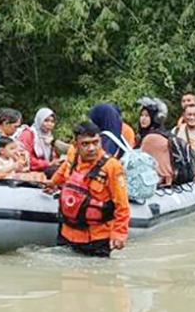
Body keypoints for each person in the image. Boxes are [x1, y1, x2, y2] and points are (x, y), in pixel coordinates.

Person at [45, 122, 131, 257]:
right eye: (85, 144)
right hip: (67, 233)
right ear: (76, 144)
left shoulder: (112, 167)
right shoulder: (73, 155)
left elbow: (122, 204)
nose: (91, 148)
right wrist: (53, 182)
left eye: (95, 142)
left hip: (97, 238)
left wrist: (119, 233)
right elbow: (64, 171)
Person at [136, 98, 174, 186]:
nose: (143, 119)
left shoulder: (150, 138)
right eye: (142, 115)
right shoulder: (163, 133)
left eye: (147, 116)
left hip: (158, 179)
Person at [17, 107, 64, 175]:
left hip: (45, 170)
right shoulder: (28, 134)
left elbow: (53, 156)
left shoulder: (49, 137)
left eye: (52, 121)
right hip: (29, 172)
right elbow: (25, 158)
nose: (49, 124)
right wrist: (47, 164)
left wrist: (56, 162)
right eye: (46, 121)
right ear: (39, 121)